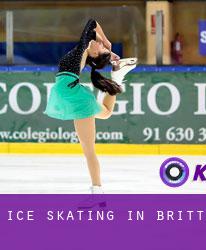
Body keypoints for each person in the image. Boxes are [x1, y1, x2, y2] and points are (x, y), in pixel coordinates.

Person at [44, 18, 137, 194]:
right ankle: (116, 77)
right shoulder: (83, 51)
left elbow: (91, 23)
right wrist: (106, 43)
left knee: (89, 149)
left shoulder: (83, 50)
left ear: (94, 54)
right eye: (101, 44)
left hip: (74, 96)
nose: (100, 43)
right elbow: (93, 28)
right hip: (73, 94)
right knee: (106, 114)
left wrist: (106, 43)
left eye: (101, 47)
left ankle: (97, 191)